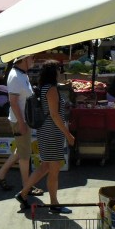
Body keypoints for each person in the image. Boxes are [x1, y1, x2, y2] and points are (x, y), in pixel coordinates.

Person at [16, 60, 76, 214]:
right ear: (54, 73)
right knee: (53, 170)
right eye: (59, 70)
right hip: (52, 132)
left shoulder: (44, 88)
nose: (61, 73)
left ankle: (23, 193)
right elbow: (55, 115)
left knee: (45, 167)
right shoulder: (51, 89)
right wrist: (67, 134)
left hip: (46, 131)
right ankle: (54, 204)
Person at [0, 56, 44, 196]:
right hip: (20, 120)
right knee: (25, 155)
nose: (33, 59)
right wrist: (21, 123)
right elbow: (13, 102)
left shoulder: (21, 74)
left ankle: (0, 175)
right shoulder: (15, 76)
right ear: (24, 59)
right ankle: (27, 186)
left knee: (21, 150)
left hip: (24, 119)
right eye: (31, 58)